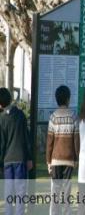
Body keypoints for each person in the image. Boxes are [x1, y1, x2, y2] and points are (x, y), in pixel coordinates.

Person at [46, 85, 80, 215]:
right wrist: (76, 158)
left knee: (55, 191)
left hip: (55, 160)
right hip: (69, 160)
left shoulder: (53, 117)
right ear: (68, 99)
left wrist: (48, 161)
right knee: (66, 192)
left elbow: (50, 142)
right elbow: (76, 140)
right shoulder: (73, 116)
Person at [0, 87, 32, 215]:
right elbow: (26, 138)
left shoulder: (1, 119)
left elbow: (1, 143)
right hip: (20, 159)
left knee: (8, 192)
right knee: (20, 192)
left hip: (7, 161)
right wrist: (29, 158)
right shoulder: (20, 115)